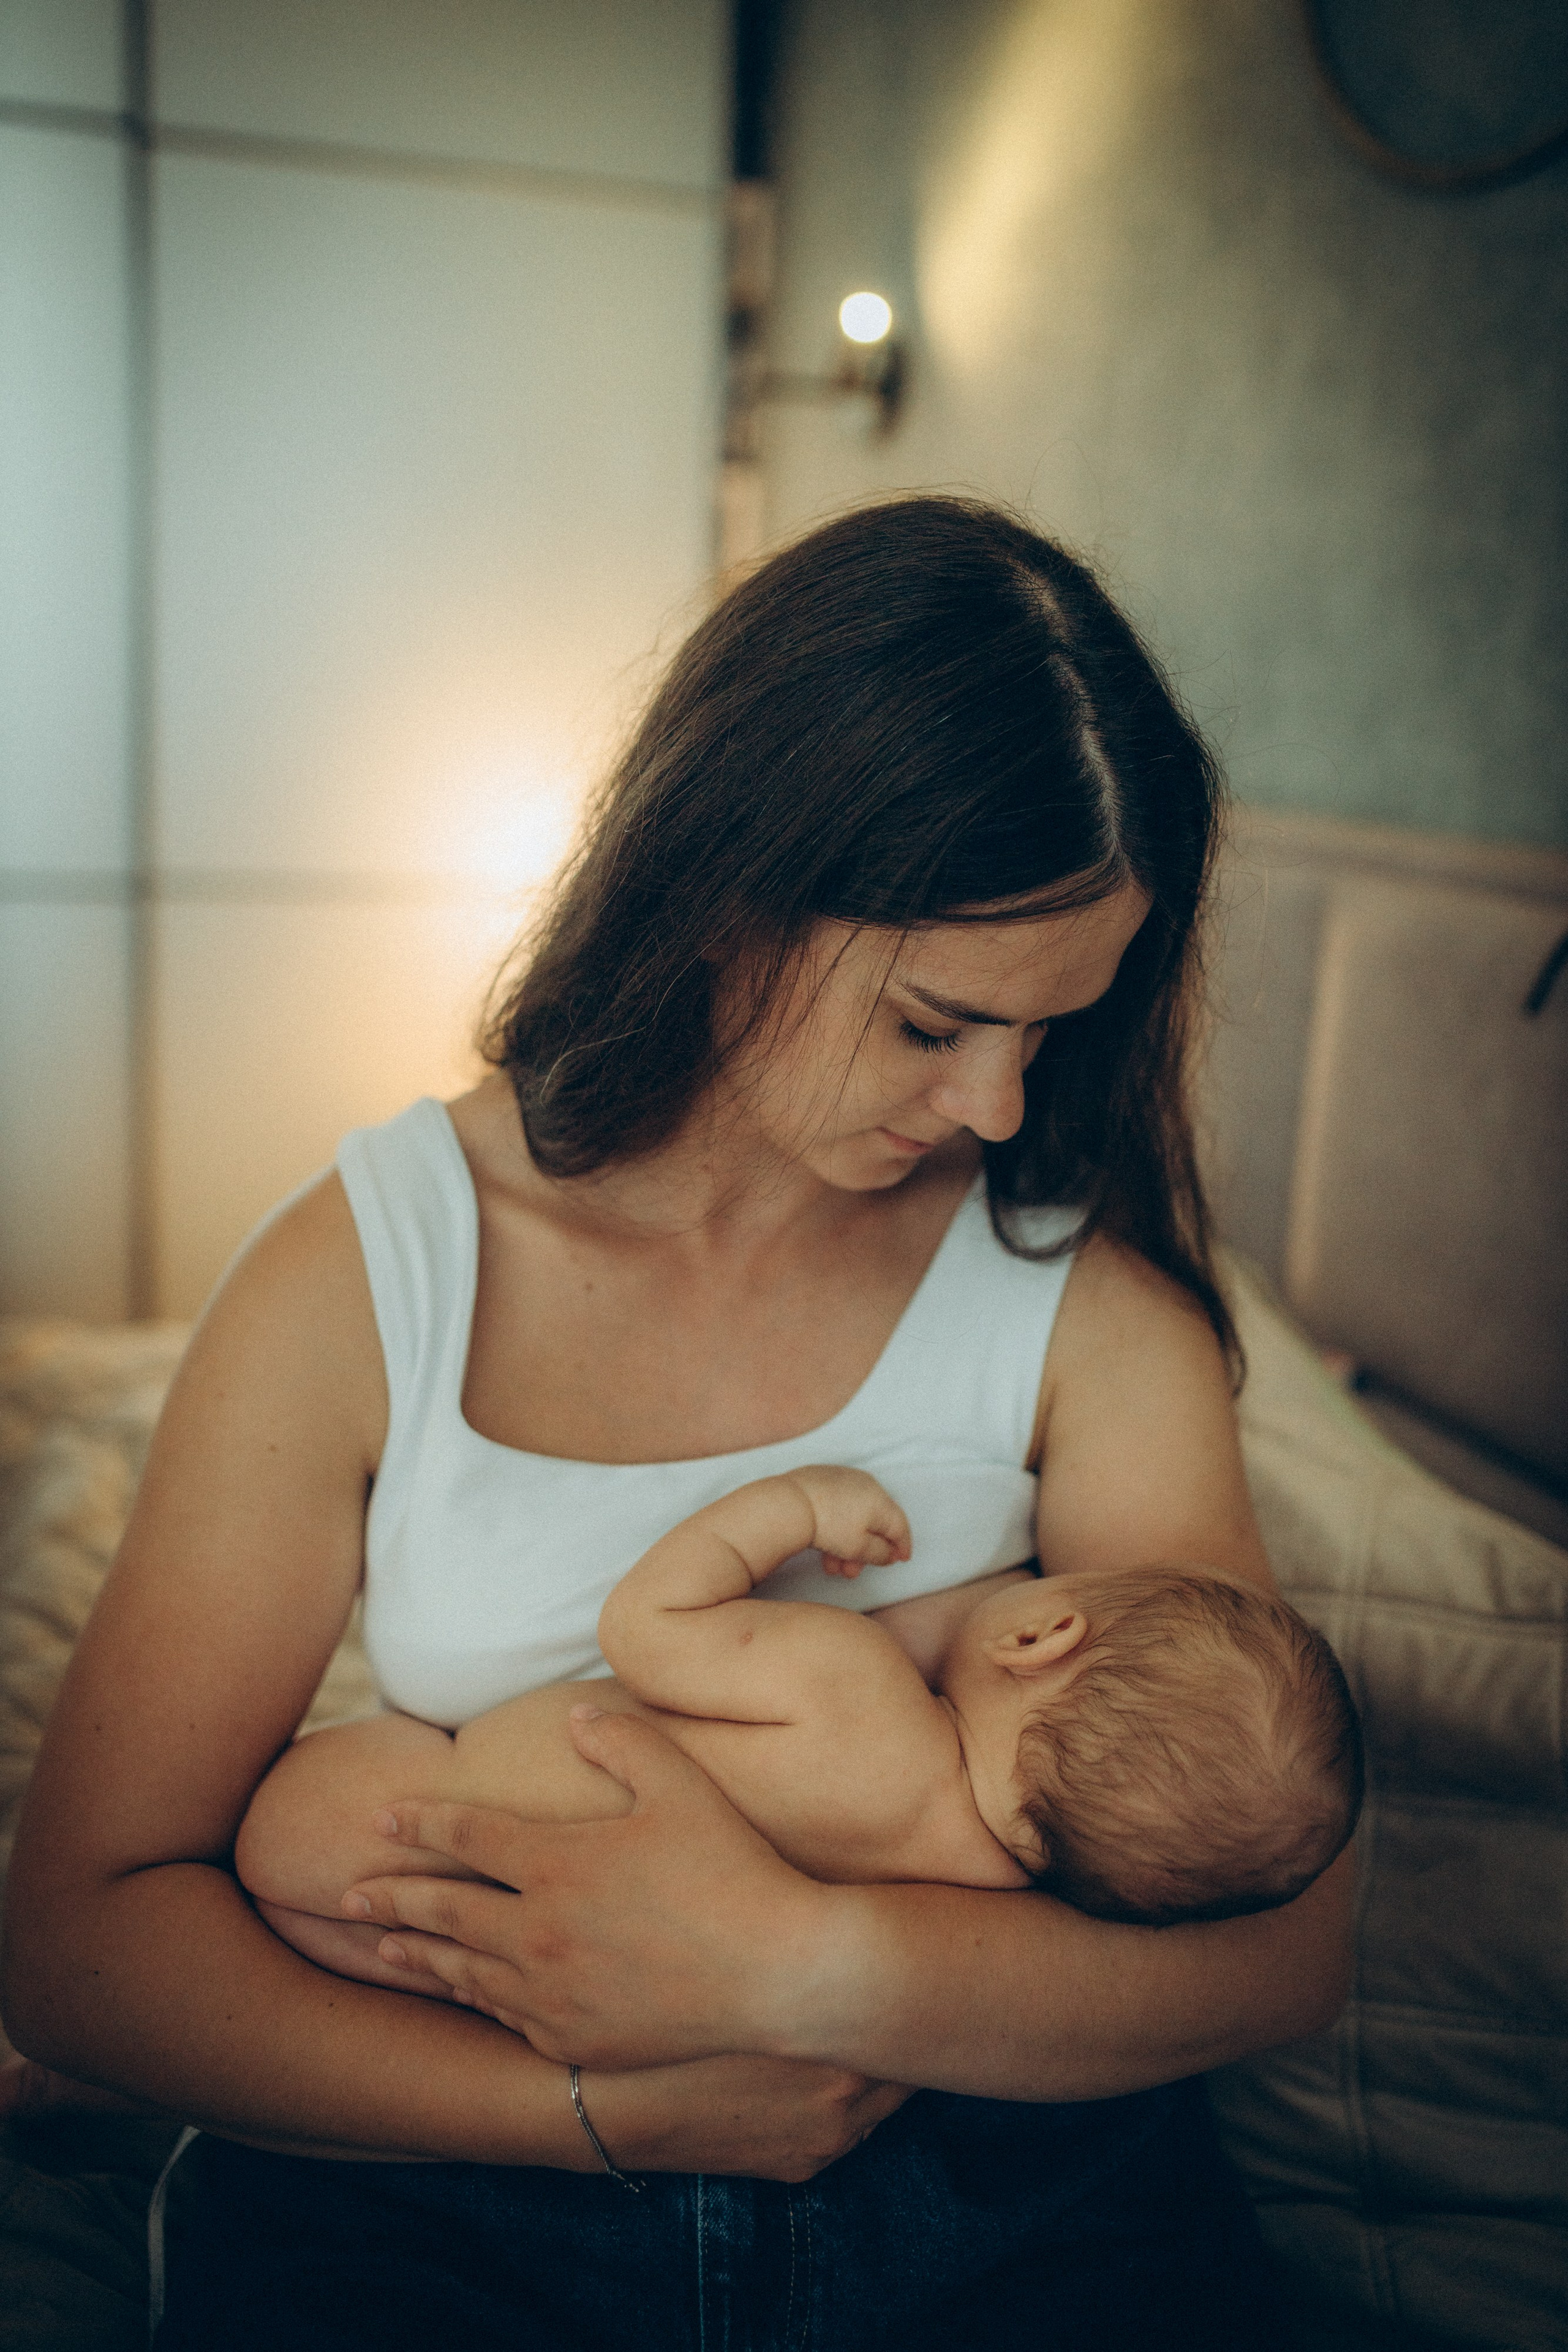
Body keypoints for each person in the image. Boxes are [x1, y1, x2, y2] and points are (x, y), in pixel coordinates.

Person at [2, 497, 1354, 2350]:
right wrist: (595, 2116)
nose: (990, 1105)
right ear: (730, 888)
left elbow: (1289, 1947)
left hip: (991, 2183)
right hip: (467, 2177)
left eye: (1050, 1035)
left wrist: (807, 1967)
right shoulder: (376, 1272)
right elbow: (83, 1938)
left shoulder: (1080, 1309)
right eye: (935, 1022)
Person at [236, 1466, 1363, 1978]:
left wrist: (790, 1510)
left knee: (287, 1836)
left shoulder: (853, 1689)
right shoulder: (989, 1889)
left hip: (447, 1797)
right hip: (546, 1951)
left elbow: (646, 1625)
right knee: (380, 1941)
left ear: (1042, 1636)